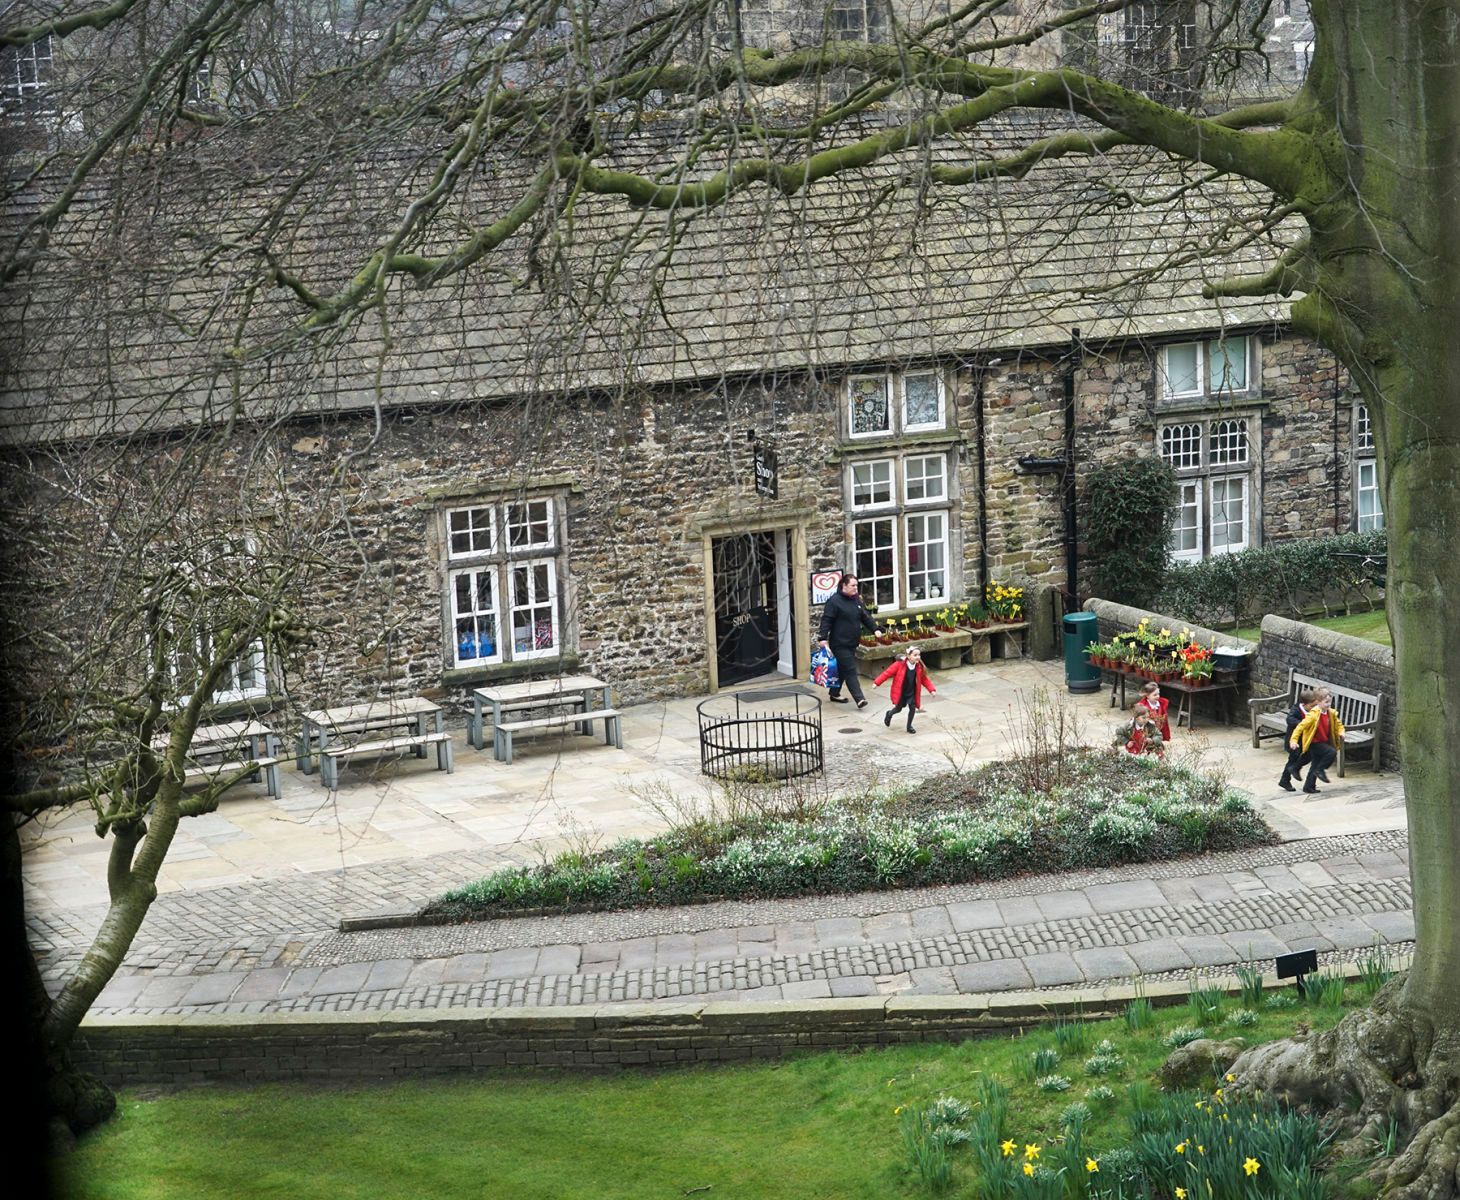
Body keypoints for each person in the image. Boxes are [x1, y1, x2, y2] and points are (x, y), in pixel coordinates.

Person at [817, 572, 879, 707]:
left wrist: (875, 629)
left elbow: (865, 616)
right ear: (844, 586)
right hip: (839, 643)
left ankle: (834, 693)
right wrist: (823, 638)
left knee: (842, 669)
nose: (856, 588)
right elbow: (826, 620)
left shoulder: (856, 600)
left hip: (852, 642)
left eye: (857, 585)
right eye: (853, 585)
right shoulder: (834, 601)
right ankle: (859, 699)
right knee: (850, 669)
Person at [1289, 692, 1344, 794]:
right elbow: (1300, 727)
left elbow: (1338, 724)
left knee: (1315, 763)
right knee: (1331, 752)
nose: (1328, 704)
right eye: (1326, 702)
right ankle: (1320, 770)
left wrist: (1341, 731)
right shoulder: (1313, 715)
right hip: (1314, 742)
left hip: (1323, 741)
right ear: (1318, 702)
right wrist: (1294, 741)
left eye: (1330, 702)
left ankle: (1309, 786)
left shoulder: (1331, 713)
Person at [874, 645, 936, 733]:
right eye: (915, 655)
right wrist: (877, 683)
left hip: (912, 692)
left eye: (919, 655)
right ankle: (889, 714)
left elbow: (924, 680)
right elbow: (887, 673)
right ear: (908, 656)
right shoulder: (899, 665)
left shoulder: (919, 667)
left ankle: (909, 726)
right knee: (898, 709)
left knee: (912, 708)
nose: (918, 657)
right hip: (901, 692)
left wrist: (931, 690)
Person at [1278, 688, 1317, 792]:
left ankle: (1292, 771)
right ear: (1304, 704)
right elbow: (1290, 719)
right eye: (1312, 706)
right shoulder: (1296, 710)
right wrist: (1302, 724)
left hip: (1305, 741)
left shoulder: (1313, 711)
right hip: (1294, 742)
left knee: (1308, 756)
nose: (1313, 708)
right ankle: (1285, 780)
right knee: (1293, 759)